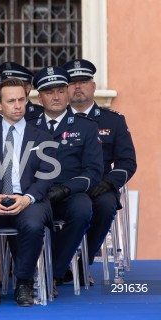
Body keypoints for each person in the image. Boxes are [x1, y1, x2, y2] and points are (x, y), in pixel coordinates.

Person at [0, 78, 55, 307]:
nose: (17, 105)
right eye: (11, 101)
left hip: (30, 199)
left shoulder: (42, 137)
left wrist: (27, 198)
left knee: (34, 225)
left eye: (21, 100)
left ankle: (24, 283)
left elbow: (47, 175)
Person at [28, 66, 103, 296]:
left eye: (61, 90)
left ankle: (53, 272)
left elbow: (93, 170)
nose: (56, 96)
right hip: (34, 192)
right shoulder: (28, 125)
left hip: (69, 192)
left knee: (82, 210)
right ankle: (26, 273)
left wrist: (66, 188)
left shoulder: (86, 127)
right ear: (39, 96)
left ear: (68, 92)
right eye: (49, 92)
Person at [63, 59, 137, 284]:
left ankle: (82, 263)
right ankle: (61, 261)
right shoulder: (54, 119)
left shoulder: (112, 121)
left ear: (93, 86)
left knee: (105, 206)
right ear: (66, 88)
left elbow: (127, 161)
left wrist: (109, 182)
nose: (78, 87)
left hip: (99, 185)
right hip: (65, 184)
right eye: (73, 82)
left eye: (83, 81)